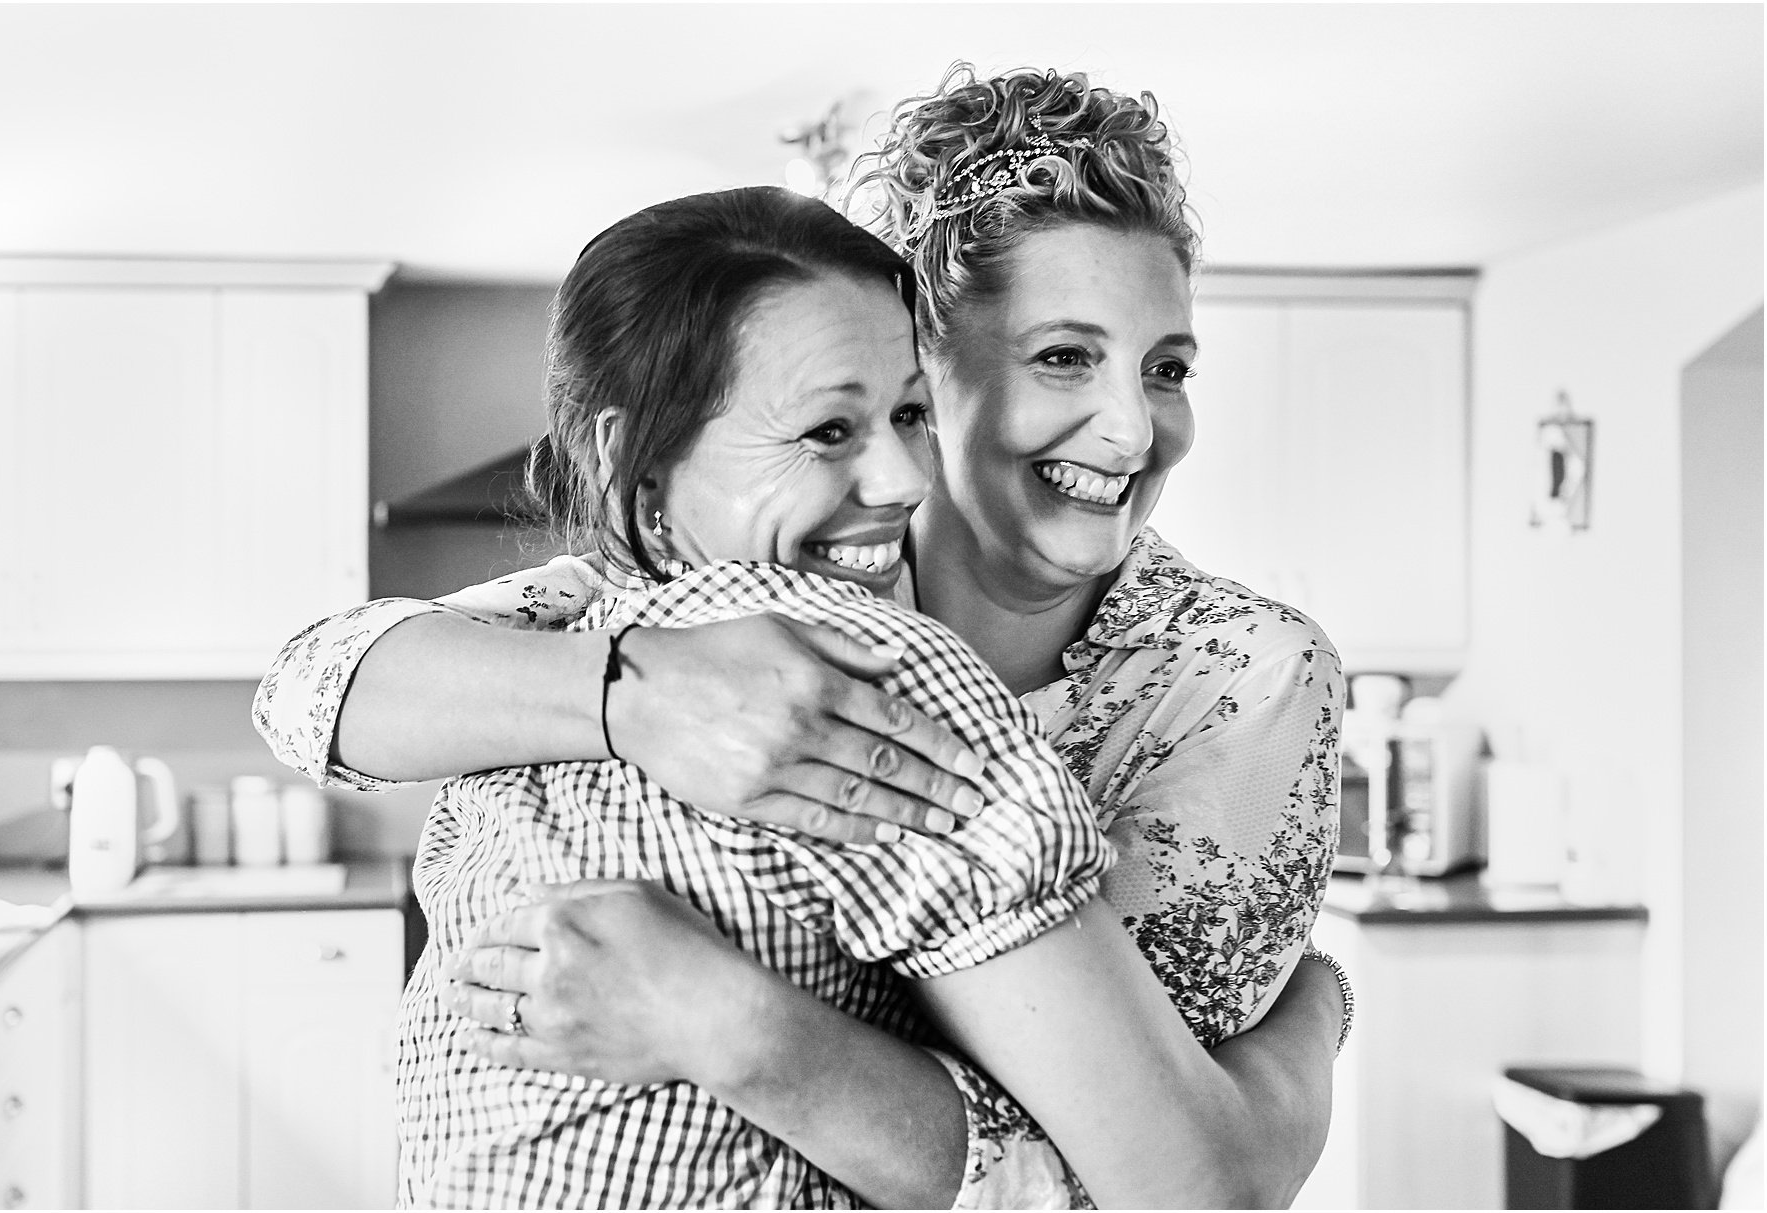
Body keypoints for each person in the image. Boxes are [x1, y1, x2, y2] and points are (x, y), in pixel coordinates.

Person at [255, 66, 1347, 1209]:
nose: (1131, 431)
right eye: (1060, 357)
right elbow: (308, 687)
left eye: (1165, 369)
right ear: (921, 360)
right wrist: (632, 697)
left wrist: (730, 1025)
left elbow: (1144, 1174)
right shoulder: (744, 584)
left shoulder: (1241, 672)